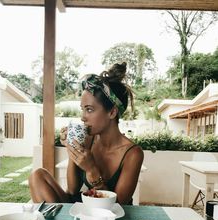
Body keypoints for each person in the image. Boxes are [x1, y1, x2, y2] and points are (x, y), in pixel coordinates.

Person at [29, 62, 144, 205]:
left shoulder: (132, 154)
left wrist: (91, 170)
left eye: (89, 109)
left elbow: (118, 205)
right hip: (83, 207)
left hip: (109, 214)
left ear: (112, 112)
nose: (83, 117)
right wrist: (73, 147)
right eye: (82, 109)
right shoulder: (89, 139)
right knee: (37, 176)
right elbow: (72, 190)